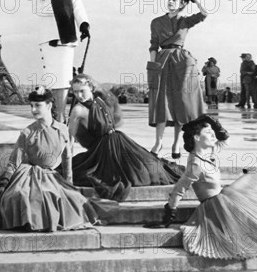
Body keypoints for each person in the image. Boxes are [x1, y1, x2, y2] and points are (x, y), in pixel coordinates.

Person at [145, 114, 257, 259]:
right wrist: (169, 214)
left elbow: (224, 138)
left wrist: (210, 121)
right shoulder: (195, 164)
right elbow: (179, 189)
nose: (213, 135)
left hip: (225, 196)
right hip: (217, 208)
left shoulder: (207, 153)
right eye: (208, 133)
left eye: (212, 132)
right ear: (197, 138)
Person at [0, 86, 97, 232]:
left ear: (49, 105)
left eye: (38, 105)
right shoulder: (27, 132)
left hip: (52, 176)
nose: (33, 110)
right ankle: (33, 222)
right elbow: (14, 161)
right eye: (31, 106)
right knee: (25, 197)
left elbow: (67, 158)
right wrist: (4, 181)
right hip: (28, 175)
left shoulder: (63, 130)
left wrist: (69, 183)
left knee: (73, 199)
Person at [68, 74, 183, 202]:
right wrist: (66, 157)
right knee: (130, 176)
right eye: (75, 92)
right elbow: (70, 137)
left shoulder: (100, 100)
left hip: (120, 141)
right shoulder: (78, 110)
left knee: (150, 167)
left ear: (91, 88)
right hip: (103, 151)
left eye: (82, 91)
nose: (78, 95)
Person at [147, 0, 208, 159]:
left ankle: (176, 143)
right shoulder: (156, 22)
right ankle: (158, 142)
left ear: (182, 4)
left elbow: (204, 13)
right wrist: (153, 65)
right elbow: (153, 44)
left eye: (175, 0)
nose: (171, 2)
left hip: (182, 61)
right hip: (162, 60)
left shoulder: (186, 21)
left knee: (180, 102)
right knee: (161, 101)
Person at [35, 0, 90, 123]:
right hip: (50, 38)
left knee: (64, 77)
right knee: (52, 77)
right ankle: (54, 112)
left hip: (66, 40)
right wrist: (59, 0)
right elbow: (40, 10)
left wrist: (84, 25)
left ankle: (60, 113)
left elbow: (79, 10)